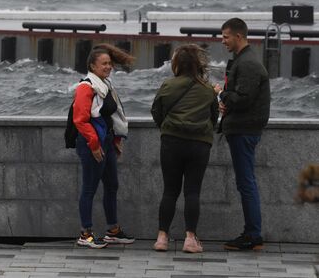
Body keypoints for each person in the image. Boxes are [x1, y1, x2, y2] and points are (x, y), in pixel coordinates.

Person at [151, 44, 219, 253]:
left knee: (170, 191)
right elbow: (213, 117)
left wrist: (168, 128)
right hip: (199, 144)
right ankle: (190, 239)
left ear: (177, 64)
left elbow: (156, 111)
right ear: (197, 64)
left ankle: (162, 238)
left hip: (172, 142)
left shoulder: (168, 85)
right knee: (192, 192)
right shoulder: (208, 89)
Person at [213, 17, 270, 251]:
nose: (223, 41)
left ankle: (253, 235)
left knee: (246, 184)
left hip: (244, 131)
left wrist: (221, 94)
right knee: (246, 183)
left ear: (238, 36)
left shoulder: (247, 64)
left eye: (225, 36)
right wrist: (228, 101)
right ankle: (251, 232)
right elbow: (243, 97)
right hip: (243, 128)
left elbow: (243, 99)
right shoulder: (244, 60)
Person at [72, 44, 135, 248]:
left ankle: (113, 230)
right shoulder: (86, 87)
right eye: (104, 63)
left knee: (112, 185)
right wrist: (94, 144)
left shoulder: (105, 84)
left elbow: (110, 118)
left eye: (110, 63)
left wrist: (115, 141)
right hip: (92, 143)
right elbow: (80, 120)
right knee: (89, 188)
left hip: (106, 142)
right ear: (92, 66)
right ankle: (85, 233)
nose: (108, 67)